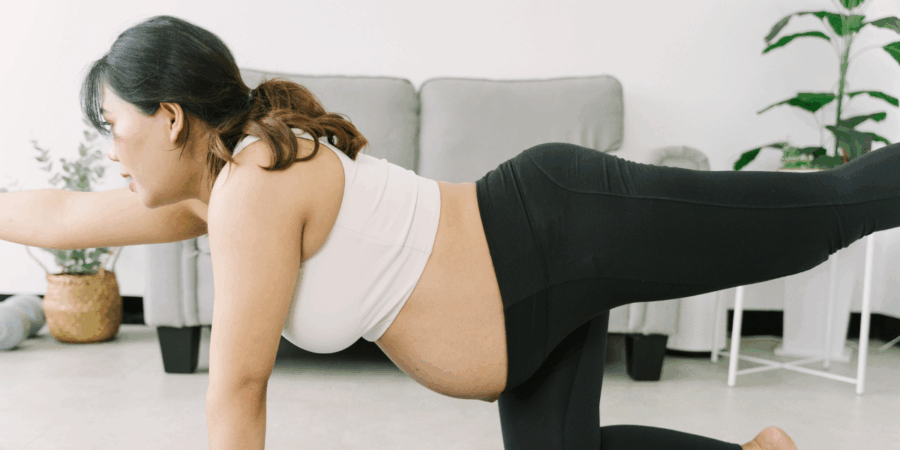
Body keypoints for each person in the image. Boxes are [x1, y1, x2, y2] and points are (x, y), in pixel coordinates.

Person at [14, 13, 900, 450]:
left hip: (561, 231)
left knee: (827, 213)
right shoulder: (219, 193)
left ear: (170, 118)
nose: (111, 152)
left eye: (114, 126)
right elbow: (57, 217)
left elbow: (237, 391)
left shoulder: (253, 188)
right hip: (529, 309)